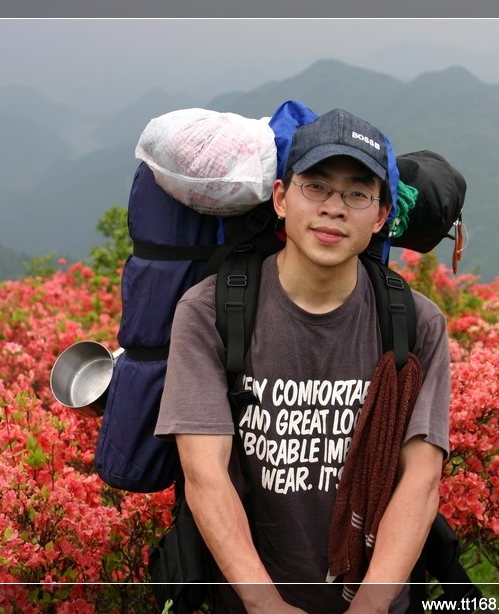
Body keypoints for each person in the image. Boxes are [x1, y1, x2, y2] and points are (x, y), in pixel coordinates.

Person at [155, 108, 451, 613]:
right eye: (315, 186)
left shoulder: (415, 323)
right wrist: (264, 603)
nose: (334, 208)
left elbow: (421, 479)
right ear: (280, 198)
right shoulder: (211, 312)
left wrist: (371, 606)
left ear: (381, 216)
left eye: (357, 193)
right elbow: (206, 474)